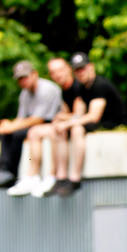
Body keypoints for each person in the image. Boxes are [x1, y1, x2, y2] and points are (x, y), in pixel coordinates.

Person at [42, 51, 127, 197]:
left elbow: (94, 116)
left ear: (91, 67)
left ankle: (75, 178)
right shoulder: (82, 88)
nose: (80, 72)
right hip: (97, 122)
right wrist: (63, 121)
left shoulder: (99, 85)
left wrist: (67, 124)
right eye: (77, 70)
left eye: (82, 68)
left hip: (112, 123)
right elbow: (79, 114)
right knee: (61, 129)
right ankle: (61, 177)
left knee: (76, 129)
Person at [0, 60, 62, 192]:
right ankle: (5, 172)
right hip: (34, 124)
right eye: (20, 79)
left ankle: (26, 175)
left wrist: (12, 127)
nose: (23, 81)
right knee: (7, 133)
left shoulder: (47, 89)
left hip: (49, 123)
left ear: (34, 74)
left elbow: (38, 119)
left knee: (16, 133)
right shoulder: (24, 93)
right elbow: (21, 118)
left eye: (25, 77)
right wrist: (8, 125)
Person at [19, 57, 80, 198]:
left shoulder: (78, 87)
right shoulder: (60, 90)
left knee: (55, 130)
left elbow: (79, 115)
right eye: (53, 72)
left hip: (77, 126)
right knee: (34, 132)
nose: (57, 75)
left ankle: (55, 176)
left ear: (68, 69)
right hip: (64, 125)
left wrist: (62, 118)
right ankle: (33, 176)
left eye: (60, 70)